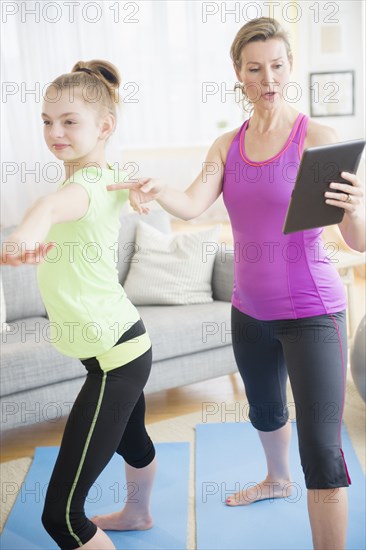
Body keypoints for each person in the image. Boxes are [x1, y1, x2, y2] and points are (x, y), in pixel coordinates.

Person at [107, 18, 365, 550]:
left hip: (313, 312)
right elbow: (192, 202)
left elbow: (357, 241)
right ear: (238, 73)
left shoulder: (318, 139)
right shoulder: (228, 144)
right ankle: (275, 478)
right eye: (255, 68)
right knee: (265, 410)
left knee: (321, 448)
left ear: (290, 67)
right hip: (249, 310)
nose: (267, 78)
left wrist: (357, 208)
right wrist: (158, 190)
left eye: (277, 65)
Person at [1, 60, 157, 550]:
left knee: (62, 518)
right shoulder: (104, 177)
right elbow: (61, 204)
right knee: (133, 441)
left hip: (116, 359)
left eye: (70, 121)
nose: (54, 132)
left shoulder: (85, 187)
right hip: (124, 346)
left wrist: (20, 239)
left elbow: (47, 210)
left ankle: (134, 512)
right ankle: (138, 514)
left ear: (104, 126)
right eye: (47, 121)